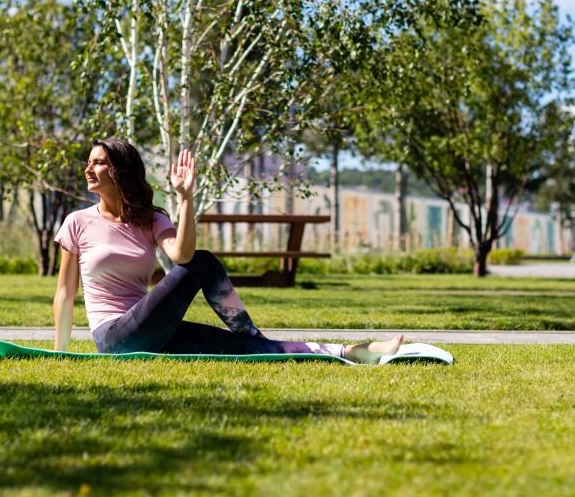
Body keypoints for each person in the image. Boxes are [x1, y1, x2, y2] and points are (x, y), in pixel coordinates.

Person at [52, 137, 403, 363]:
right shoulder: (78, 222)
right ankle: (255, 336)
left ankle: (357, 353)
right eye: (90, 161)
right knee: (203, 262)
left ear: (121, 171)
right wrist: (60, 352)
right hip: (114, 336)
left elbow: (181, 256)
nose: (88, 168)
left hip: (153, 331)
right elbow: (66, 294)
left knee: (245, 349)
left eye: (98, 162)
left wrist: (186, 199)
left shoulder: (150, 219)